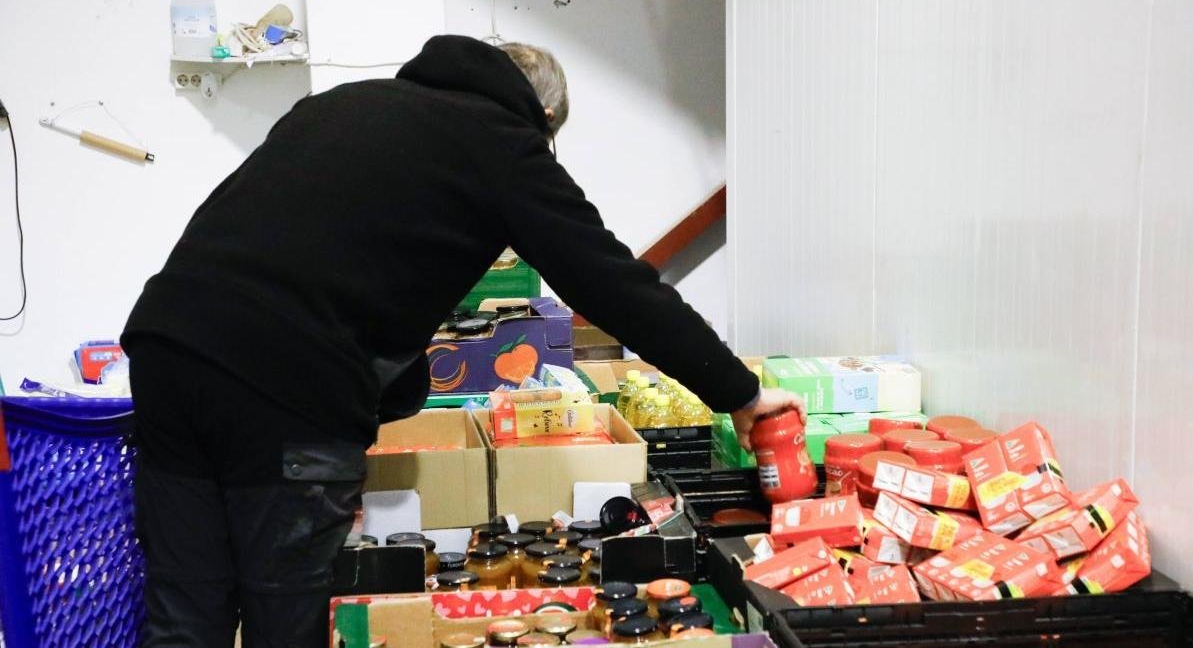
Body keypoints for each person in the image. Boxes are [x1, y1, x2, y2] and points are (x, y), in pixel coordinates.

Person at [122, 34, 802, 647]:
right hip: (287, 383)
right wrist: (739, 392)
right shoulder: (502, 144)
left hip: (167, 346)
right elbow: (613, 284)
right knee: (284, 609)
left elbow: (324, 251)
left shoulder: (345, 104)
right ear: (543, 119)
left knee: (186, 607)